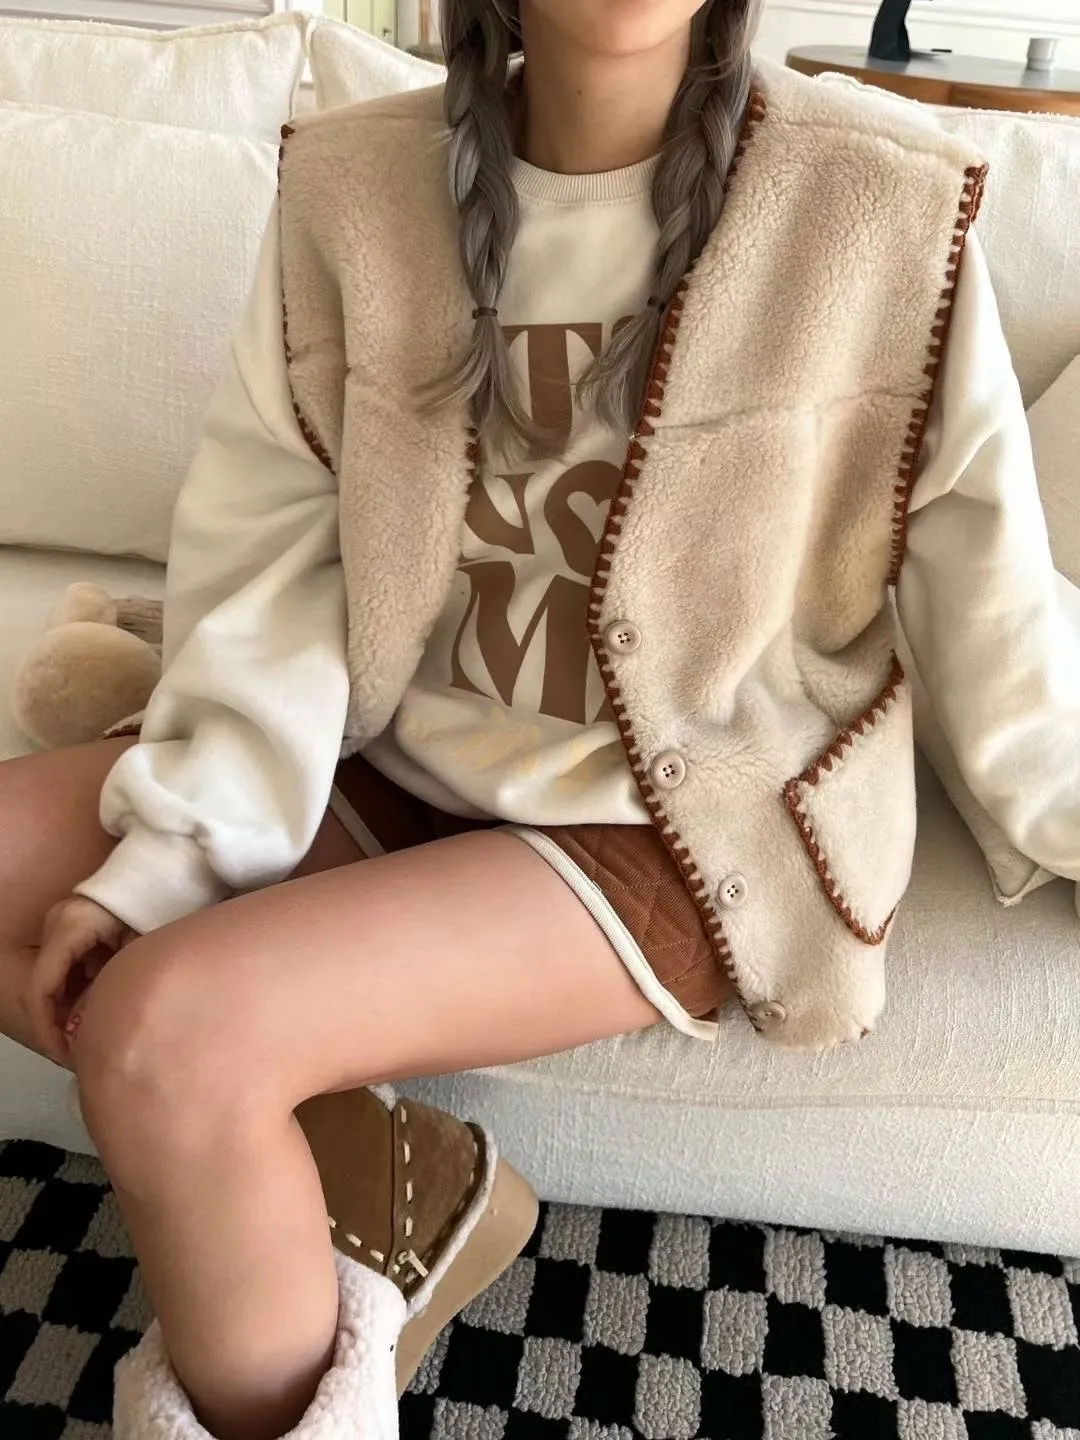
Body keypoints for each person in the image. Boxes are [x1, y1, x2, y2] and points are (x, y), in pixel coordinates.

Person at [3, 0, 1080, 1435]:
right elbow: (276, 566)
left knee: (167, 1040)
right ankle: (402, 1187)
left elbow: (992, 601)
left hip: (677, 820)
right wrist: (173, 849)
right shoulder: (352, 187)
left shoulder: (878, 200)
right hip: (389, 750)